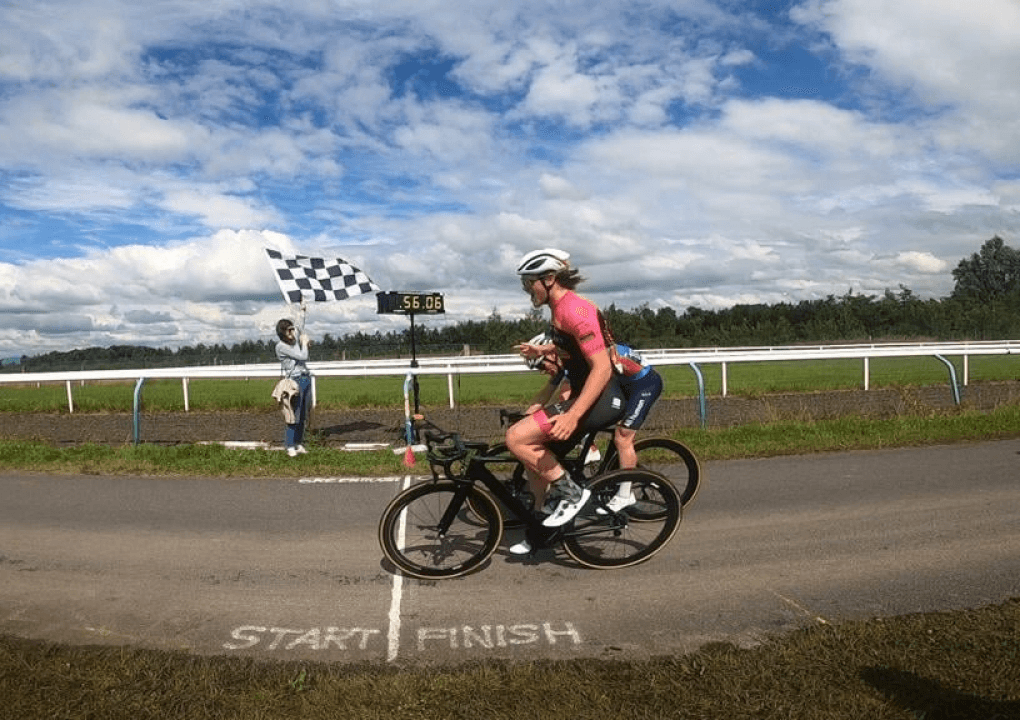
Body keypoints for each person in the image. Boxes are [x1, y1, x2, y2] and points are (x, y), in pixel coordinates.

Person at [506, 248, 628, 553]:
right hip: (586, 390)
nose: (526, 291)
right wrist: (542, 352)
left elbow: (601, 367)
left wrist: (572, 416)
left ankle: (572, 495)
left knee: (516, 438)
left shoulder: (575, 310)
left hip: (601, 395)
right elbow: (573, 350)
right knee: (534, 459)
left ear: (549, 279)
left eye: (528, 283)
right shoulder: (560, 308)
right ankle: (540, 529)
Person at [274, 318, 312, 457]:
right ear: (282, 332)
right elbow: (303, 356)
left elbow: (300, 326)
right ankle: (290, 445)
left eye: (292, 329)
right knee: (293, 414)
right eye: (289, 330)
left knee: (303, 414)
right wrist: (305, 344)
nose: (292, 332)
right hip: (294, 381)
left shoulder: (294, 342)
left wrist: (302, 310)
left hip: (305, 378)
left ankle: (298, 443)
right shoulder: (281, 346)